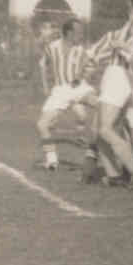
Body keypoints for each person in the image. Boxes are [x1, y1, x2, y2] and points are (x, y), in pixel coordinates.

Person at [86, 0, 133, 186]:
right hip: (116, 75)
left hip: (120, 75)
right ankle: (114, 175)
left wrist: (122, 46)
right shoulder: (131, 22)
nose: (126, 4)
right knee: (98, 129)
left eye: (129, 2)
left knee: (105, 129)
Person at [36, 18, 95, 171]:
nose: (81, 35)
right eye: (79, 32)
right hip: (60, 90)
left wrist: (83, 75)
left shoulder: (81, 49)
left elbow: (90, 65)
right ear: (69, 33)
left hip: (78, 88)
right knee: (42, 125)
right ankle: (52, 161)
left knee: (105, 107)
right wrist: (45, 86)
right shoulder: (52, 47)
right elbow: (43, 65)